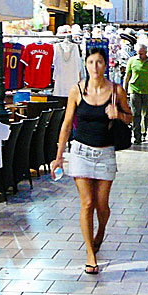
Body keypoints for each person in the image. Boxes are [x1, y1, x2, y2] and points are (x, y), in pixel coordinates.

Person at [51, 47, 133, 274]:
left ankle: (101, 231)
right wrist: (59, 157)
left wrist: (118, 114)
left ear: (106, 65)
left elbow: (130, 117)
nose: (94, 67)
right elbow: (67, 124)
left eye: (99, 62)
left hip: (106, 153)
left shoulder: (117, 91)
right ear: (85, 65)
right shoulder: (76, 91)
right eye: (90, 62)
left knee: (102, 205)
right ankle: (90, 254)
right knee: (87, 203)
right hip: (80, 152)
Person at [123, 43, 148, 144]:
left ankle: (144, 132)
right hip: (134, 90)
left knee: (146, 114)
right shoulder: (132, 61)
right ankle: (137, 136)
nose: (141, 56)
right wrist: (124, 90)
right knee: (136, 113)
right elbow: (127, 76)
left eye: (142, 54)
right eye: (139, 54)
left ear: (146, 53)